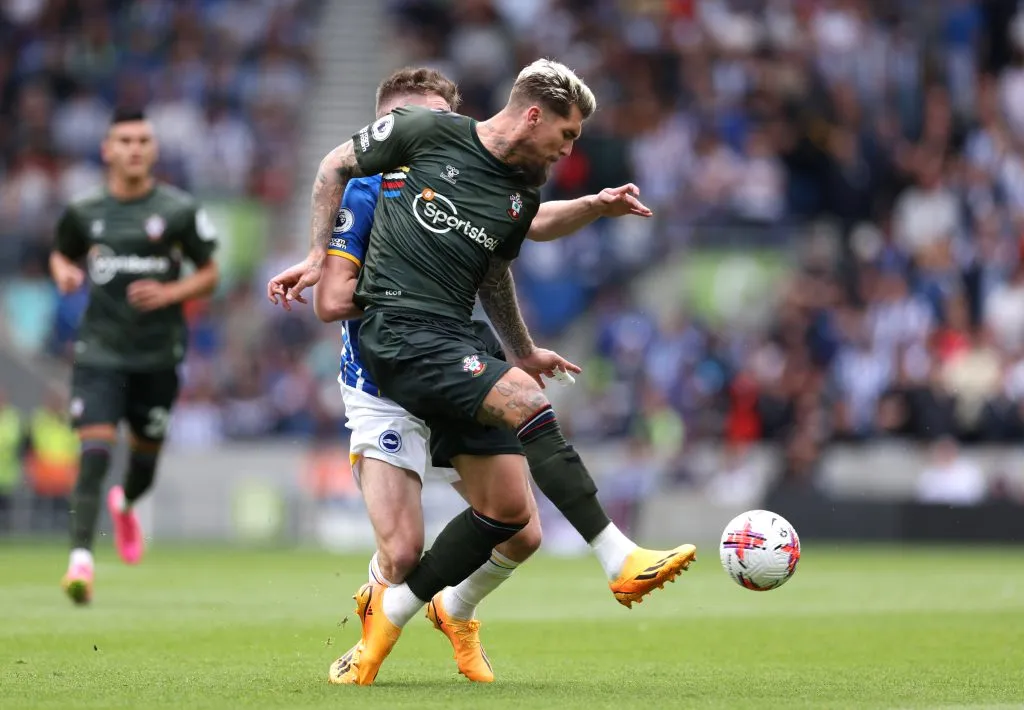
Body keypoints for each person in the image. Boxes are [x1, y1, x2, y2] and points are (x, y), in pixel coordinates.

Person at [273, 59, 696, 685]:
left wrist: (522, 346)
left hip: (452, 344)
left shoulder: (509, 186)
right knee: (401, 551)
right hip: (391, 361)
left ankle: (425, 610)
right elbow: (332, 296)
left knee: (513, 522)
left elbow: (501, 256)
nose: (570, 146)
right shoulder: (371, 187)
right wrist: (337, 264)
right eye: (569, 134)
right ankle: (616, 555)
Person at [50, 108, 220, 605]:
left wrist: (171, 293)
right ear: (107, 149)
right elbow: (62, 252)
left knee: (143, 466)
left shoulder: (178, 210)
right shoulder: (84, 213)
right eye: (124, 140)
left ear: (153, 150)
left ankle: (124, 504)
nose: (134, 148)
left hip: (158, 356)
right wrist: (63, 271)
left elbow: (209, 272)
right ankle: (80, 562)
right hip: (99, 351)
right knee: (95, 450)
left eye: (143, 140)